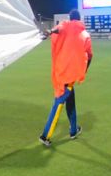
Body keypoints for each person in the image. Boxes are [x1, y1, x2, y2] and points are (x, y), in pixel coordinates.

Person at [39, 9, 93, 146]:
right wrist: (83, 71)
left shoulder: (65, 26)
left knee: (70, 102)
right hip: (71, 75)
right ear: (79, 19)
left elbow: (58, 29)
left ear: (70, 18)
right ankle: (45, 136)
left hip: (63, 72)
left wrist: (50, 32)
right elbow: (90, 56)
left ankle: (74, 130)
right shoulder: (85, 34)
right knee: (58, 104)